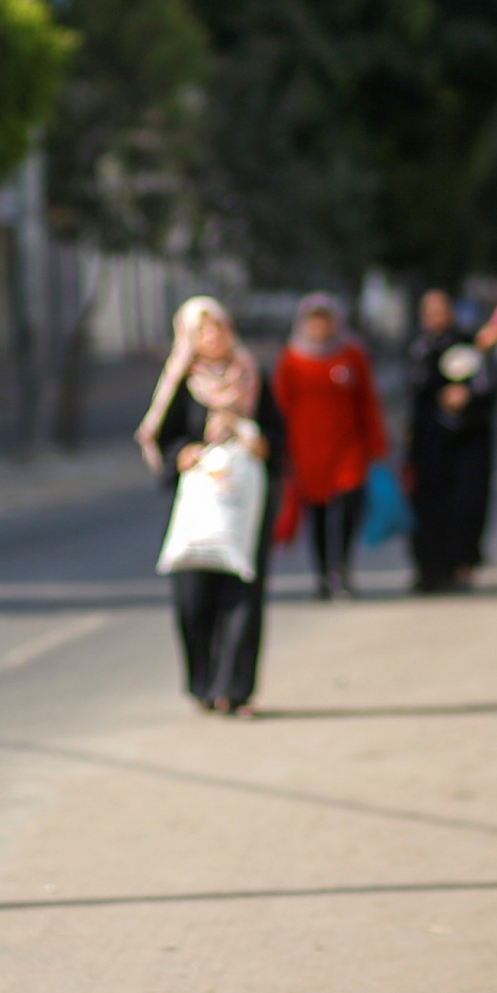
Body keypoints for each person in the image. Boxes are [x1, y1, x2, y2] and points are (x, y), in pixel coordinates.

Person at [137, 296, 291, 715]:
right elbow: (162, 436)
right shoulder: (181, 381)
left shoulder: (252, 375)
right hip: (199, 505)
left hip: (246, 502)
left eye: (218, 327)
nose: (213, 337)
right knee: (193, 596)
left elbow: (279, 434)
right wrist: (182, 455)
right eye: (202, 331)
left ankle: (237, 691)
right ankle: (203, 684)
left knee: (243, 593)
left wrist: (262, 443)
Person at [271, 293, 389, 600]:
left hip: (348, 448)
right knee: (319, 515)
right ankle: (323, 574)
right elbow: (280, 408)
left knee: (349, 509)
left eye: (325, 320)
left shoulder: (351, 355)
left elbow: (367, 402)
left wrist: (376, 445)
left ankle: (343, 569)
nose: (320, 327)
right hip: (307, 451)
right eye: (314, 320)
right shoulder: (292, 360)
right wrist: (279, 451)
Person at [403, 289, 497, 594]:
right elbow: (414, 395)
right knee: (428, 505)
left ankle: (462, 565)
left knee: (466, 502)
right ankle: (429, 569)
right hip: (430, 441)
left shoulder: (469, 345)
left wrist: (467, 397)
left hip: (469, 438)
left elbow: (488, 385)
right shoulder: (417, 348)